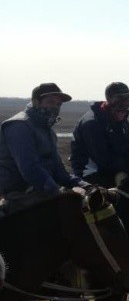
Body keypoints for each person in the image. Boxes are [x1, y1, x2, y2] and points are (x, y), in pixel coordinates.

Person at [0, 83, 87, 211]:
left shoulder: (48, 132)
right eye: (50, 102)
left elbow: (59, 170)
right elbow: (29, 168)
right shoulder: (19, 125)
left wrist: (85, 185)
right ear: (36, 102)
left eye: (58, 104)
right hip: (20, 193)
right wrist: (57, 192)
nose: (55, 107)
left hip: (43, 191)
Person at [70, 82, 129, 187]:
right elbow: (104, 161)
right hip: (91, 174)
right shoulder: (92, 123)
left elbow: (128, 152)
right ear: (109, 98)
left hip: (114, 171)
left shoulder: (124, 124)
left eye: (127, 99)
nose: (125, 102)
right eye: (120, 98)